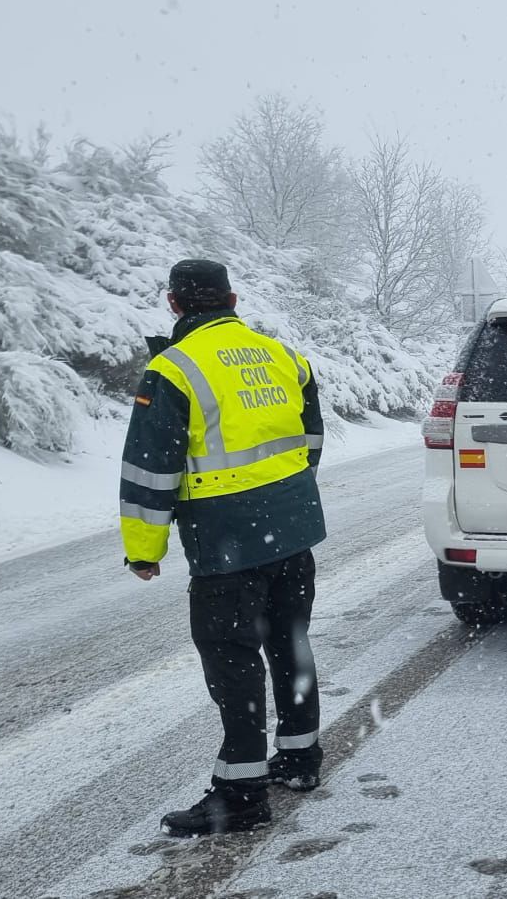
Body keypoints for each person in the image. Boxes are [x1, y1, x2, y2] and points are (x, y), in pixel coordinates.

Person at [119, 259, 328, 837]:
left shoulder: (174, 370)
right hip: (291, 529)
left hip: (226, 543)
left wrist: (144, 548)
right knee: (290, 641)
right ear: (233, 298)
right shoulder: (282, 355)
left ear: (174, 304)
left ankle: (241, 794)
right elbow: (310, 438)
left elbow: (149, 470)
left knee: (232, 662)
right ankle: (300, 757)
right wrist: (285, 495)